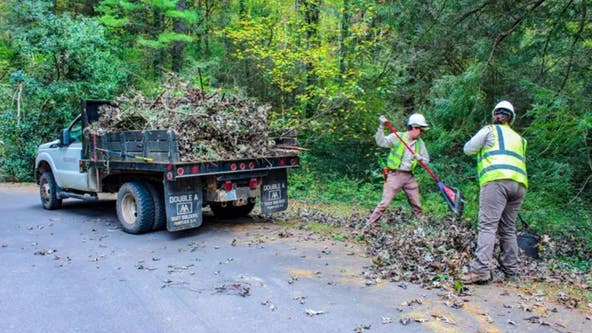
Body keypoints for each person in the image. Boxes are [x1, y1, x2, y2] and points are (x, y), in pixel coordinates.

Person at [461, 100, 528, 284]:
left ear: (495, 115)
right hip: (519, 185)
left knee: (488, 226)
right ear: (511, 119)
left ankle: (481, 270)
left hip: (496, 181)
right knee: (508, 229)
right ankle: (511, 272)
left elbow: (468, 149)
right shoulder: (520, 139)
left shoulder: (490, 130)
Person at [366, 113, 430, 229]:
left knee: (417, 205)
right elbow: (381, 142)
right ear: (414, 127)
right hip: (394, 175)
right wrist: (381, 126)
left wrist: (420, 158)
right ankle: (368, 226)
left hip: (409, 177)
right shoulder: (397, 137)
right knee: (384, 203)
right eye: (421, 129)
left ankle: (421, 229)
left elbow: (426, 160)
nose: (422, 132)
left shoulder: (420, 143)